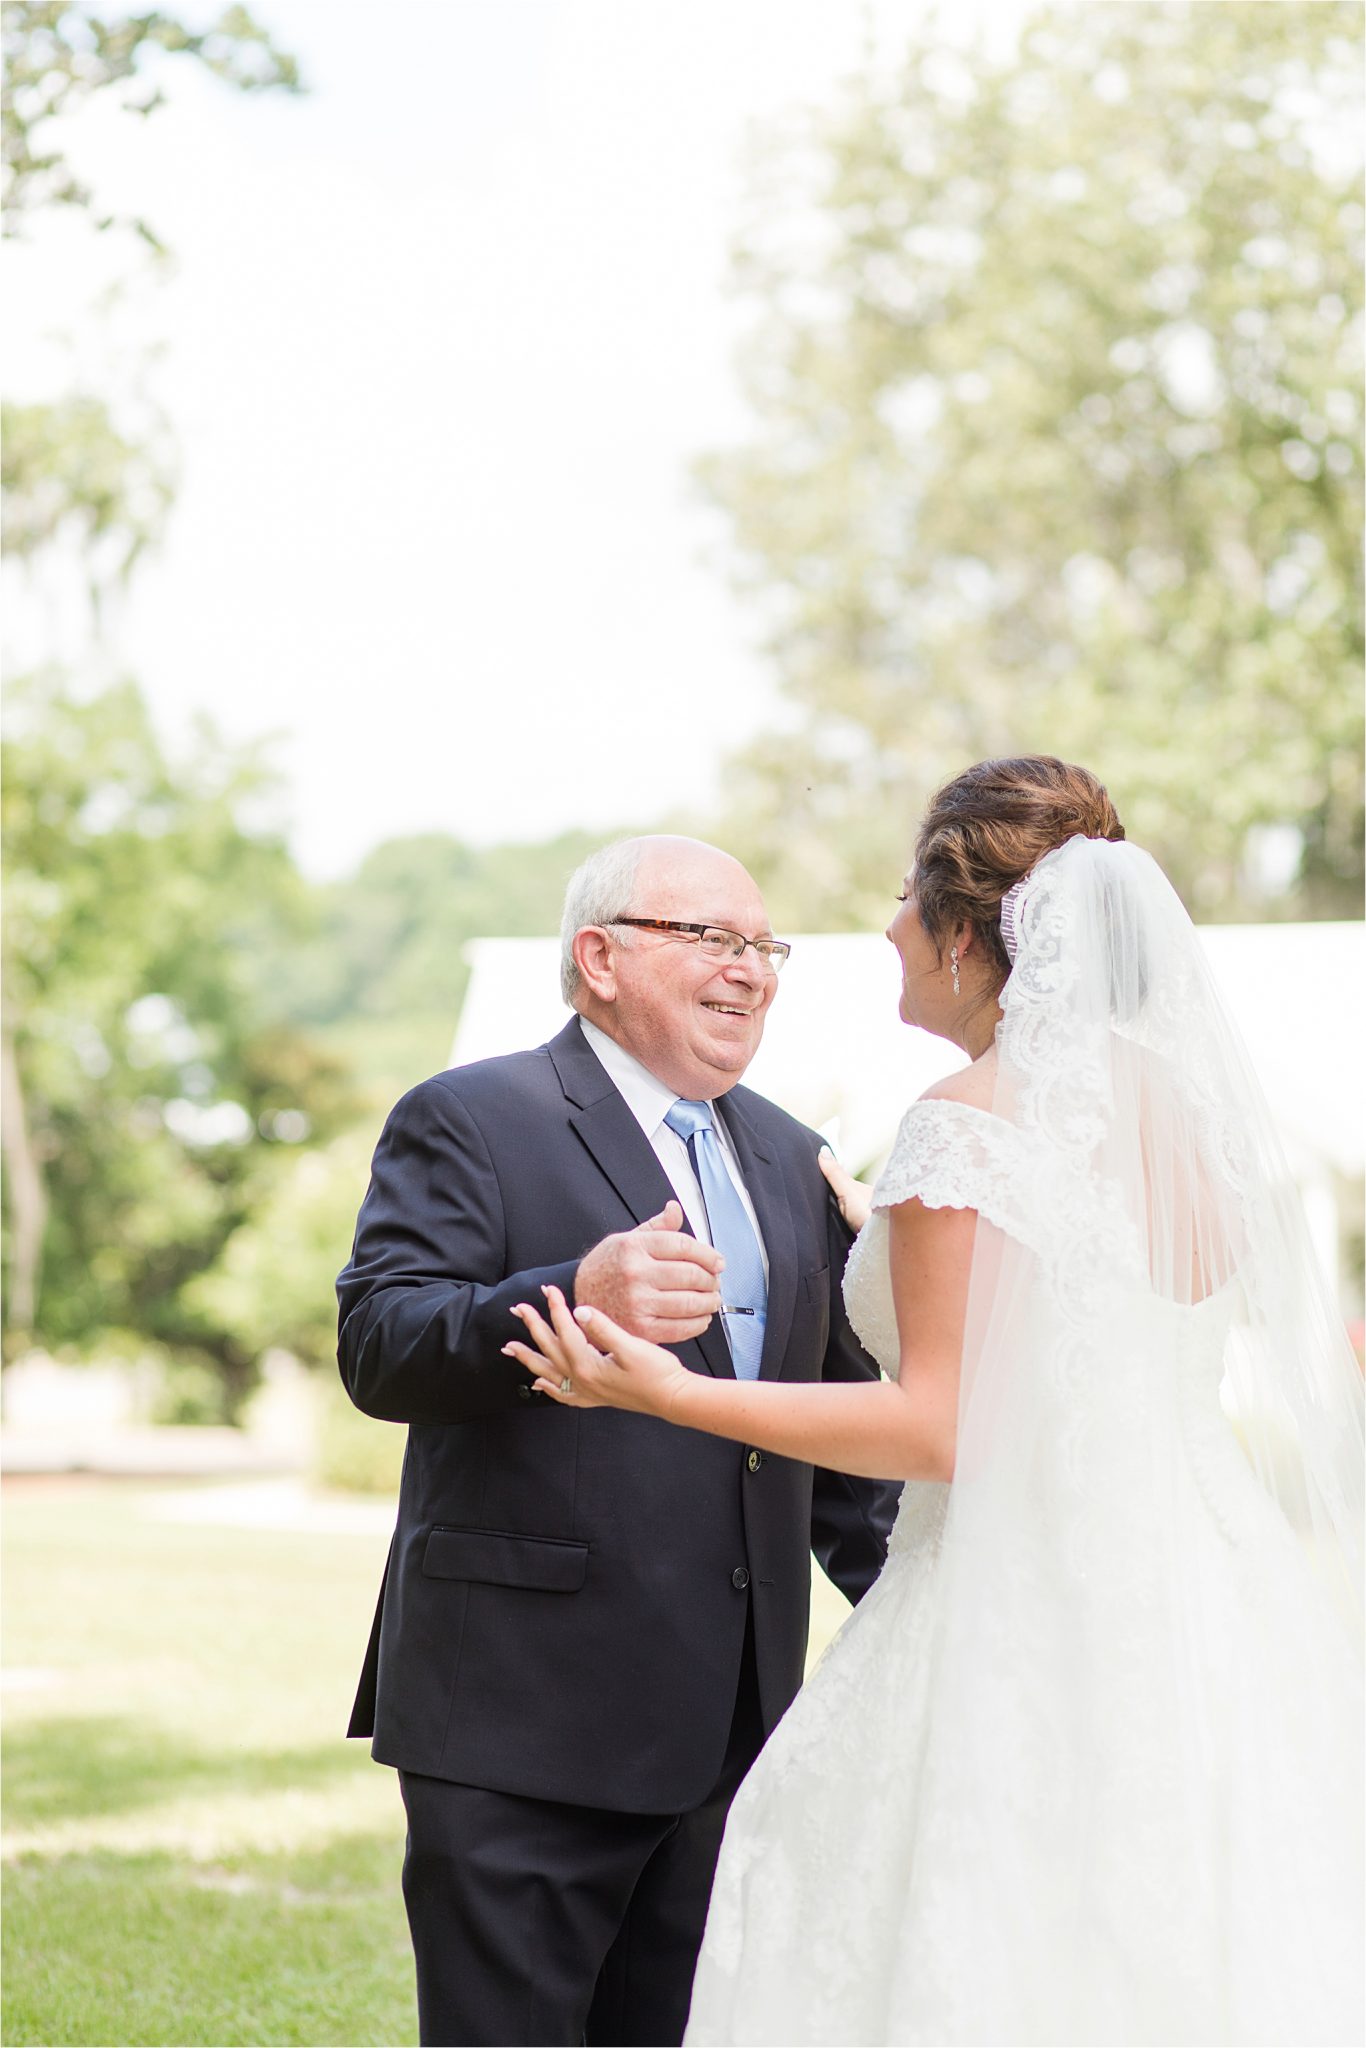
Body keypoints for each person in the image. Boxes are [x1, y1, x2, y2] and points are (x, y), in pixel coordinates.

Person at [507, 758, 1366, 2048]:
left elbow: (940, 1424)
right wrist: (886, 1239)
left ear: (970, 936)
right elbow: (1110, 1312)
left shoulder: (961, 1123)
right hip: (1194, 1594)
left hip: (1005, 1606)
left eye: (910, 896)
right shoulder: (1182, 1118)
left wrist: (672, 1390)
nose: (889, 924)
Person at [336, 834, 899, 2048]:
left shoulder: (791, 1152)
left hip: (734, 1728)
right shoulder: (473, 1115)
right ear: (599, 956)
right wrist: (571, 1289)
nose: (751, 969)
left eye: (765, 946)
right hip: (523, 1715)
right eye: (714, 939)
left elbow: (826, 1433)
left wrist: (934, 1597)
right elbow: (380, 1344)